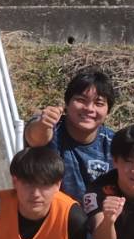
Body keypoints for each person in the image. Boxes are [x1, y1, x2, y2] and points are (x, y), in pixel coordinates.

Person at [22, 67, 116, 202]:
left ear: (108, 111)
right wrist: (44, 124)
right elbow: (35, 138)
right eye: (81, 100)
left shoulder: (114, 143)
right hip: (52, 210)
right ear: (67, 103)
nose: (89, 108)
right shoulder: (51, 127)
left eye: (98, 103)